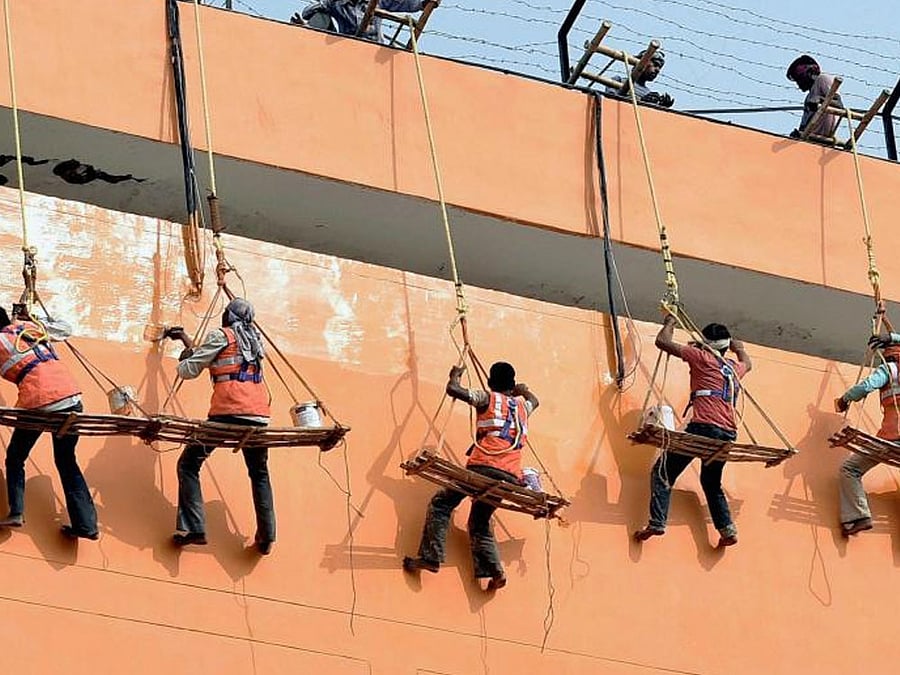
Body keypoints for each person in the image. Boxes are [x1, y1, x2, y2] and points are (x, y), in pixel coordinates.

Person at [403, 361, 539, 590]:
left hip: (483, 466)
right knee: (479, 522)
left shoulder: (489, 398)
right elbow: (535, 400)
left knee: (441, 504)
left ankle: (431, 556)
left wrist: (455, 375)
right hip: (509, 476)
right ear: (512, 384)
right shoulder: (524, 406)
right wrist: (521, 390)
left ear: (490, 382)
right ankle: (495, 573)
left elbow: (454, 391)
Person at [164, 298, 276, 555]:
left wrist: (183, 360)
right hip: (258, 416)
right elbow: (216, 356)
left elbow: (189, 370)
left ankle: (195, 527)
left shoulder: (221, 335)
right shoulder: (255, 341)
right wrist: (185, 339)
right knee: (259, 473)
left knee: (189, 464)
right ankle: (267, 536)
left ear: (228, 316)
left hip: (228, 414)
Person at [634, 314, 751, 547]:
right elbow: (748, 363)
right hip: (727, 434)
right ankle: (728, 530)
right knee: (711, 482)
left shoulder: (701, 357)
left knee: (662, 472)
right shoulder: (732, 368)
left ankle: (657, 522)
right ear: (726, 346)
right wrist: (740, 348)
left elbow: (662, 342)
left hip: (704, 428)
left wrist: (669, 323)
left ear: (705, 343)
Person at [0, 306, 98, 540]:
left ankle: (16, 512)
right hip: (71, 398)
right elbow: (65, 329)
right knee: (66, 461)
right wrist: (31, 317)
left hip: (39, 401)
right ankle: (86, 525)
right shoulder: (30, 328)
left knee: (15, 458)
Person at [833, 331, 900, 537]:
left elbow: (865, 387)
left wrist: (844, 399)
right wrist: (892, 337)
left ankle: (858, 516)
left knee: (850, 469)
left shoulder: (890, 369)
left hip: (893, 438)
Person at [292, 0, 434, 42]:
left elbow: (402, 4)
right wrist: (307, 25)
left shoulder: (376, 2)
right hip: (348, 46)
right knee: (320, 17)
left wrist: (423, 4)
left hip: (376, 46)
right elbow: (309, 11)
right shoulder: (336, 4)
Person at [787, 55, 842, 140]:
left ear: (810, 73)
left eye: (799, 79)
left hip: (822, 138)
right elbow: (803, 126)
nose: (798, 84)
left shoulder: (822, 79)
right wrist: (798, 134)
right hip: (809, 139)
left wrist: (820, 100)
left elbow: (839, 104)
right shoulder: (809, 97)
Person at [606, 49, 674, 108]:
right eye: (655, 64)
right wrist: (642, 102)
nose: (658, 70)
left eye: (660, 67)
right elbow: (610, 103)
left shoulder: (648, 93)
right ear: (641, 62)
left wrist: (661, 107)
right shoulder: (618, 81)